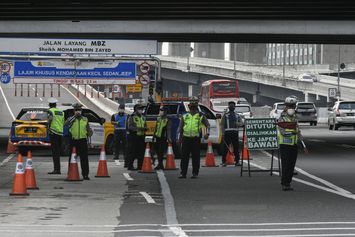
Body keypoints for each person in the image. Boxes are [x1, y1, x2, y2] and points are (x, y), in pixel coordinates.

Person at [277, 96, 308, 191]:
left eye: (293, 106)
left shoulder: (295, 117)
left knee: (291, 165)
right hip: (285, 144)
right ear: (286, 106)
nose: (291, 108)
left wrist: (302, 142)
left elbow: (298, 130)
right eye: (290, 106)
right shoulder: (282, 117)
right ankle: (284, 183)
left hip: (294, 145)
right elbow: (282, 131)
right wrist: (292, 132)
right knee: (286, 165)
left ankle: (288, 183)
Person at [178, 98, 210, 179]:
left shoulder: (200, 115)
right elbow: (180, 128)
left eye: (194, 106)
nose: (192, 108)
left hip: (195, 139)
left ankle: (195, 173)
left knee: (196, 157)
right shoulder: (185, 115)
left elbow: (208, 125)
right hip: (186, 138)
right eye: (191, 106)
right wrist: (180, 138)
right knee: (184, 156)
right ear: (189, 107)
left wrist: (207, 133)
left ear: (196, 107)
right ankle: (183, 173)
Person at [65, 103, 93, 180]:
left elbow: (88, 130)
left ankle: (85, 174)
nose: (78, 111)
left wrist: (90, 132)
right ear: (74, 111)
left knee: (84, 158)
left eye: (79, 110)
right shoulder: (71, 119)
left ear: (81, 110)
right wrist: (74, 117)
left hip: (83, 141)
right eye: (76, 110)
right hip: (73, 141)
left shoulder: (85, 119)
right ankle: (70, 173)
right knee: (72, 158)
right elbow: (65, 124)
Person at [220, 101, 244, 167]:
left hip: (235, 133)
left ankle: (237, 161)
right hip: (227, 133)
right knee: (225, 148)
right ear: (228, 106)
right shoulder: (225, 115)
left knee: (236, 148)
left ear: (234, 107)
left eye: (233, 106)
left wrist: (238, 124)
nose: (232, 107)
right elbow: (221, 124)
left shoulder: (237, 115)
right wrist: (222, 133)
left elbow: (242, 123)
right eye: (230, 106)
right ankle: (224, 162)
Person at [127, 103, 147, 170]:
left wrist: (145, 128)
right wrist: (138, 129)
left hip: (142, 137)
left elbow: (145, 125)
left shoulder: (143, 117)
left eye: (142, 109)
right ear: (136, 110)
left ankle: (140, 166)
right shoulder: (132, 117)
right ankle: (130, 166)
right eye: (140, 109)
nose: (141, 110)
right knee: (133, 152)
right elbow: (130, 127)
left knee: (141, 152)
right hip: (134, 137)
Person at [47, 98, 64, 174]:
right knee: (58, 152)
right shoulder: (61, 112)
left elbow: (50, 120)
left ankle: (56, 170)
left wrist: (48, 127)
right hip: (60, 133)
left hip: (53, 133)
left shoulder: (50, 111)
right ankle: (58, 169)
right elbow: (62, 122)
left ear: (50, 105)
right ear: (56, 104)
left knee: (55, 152)